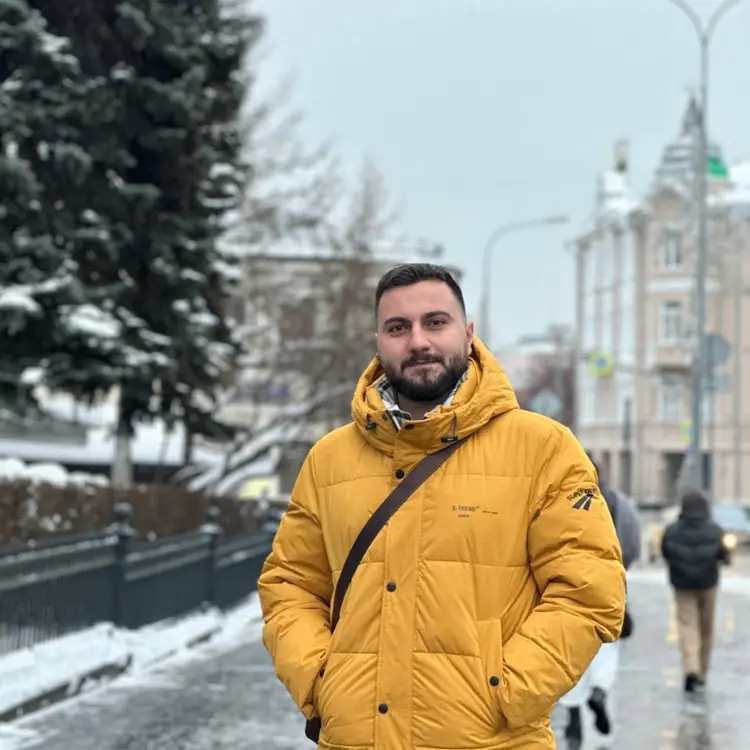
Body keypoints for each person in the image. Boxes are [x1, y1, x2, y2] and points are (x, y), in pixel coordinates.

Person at [258, 263, 626, 750]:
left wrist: (508, 691)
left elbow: (588, 591)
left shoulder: (543, 449)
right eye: (397, 327)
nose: (418, 341)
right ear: (378, 341)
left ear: (468, 334)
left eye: (435, 322)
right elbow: (290, 584)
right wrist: (321, 680)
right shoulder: (329, 460)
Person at [561, 473, 642, 747]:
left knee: (571, 647)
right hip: (609, 581)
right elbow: (632, 542)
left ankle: (573, 712)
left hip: (569, 581)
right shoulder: (617, 502)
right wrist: (620, 567)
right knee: (607, 642)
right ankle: (600, 688)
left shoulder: (561, 497)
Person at [661, 490, 729, 695]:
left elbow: (666, 551)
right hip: (708, 583)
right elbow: (723, 553)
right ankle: (702, 674)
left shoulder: (672, 530)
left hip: (682, 584)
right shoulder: (715, 530)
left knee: (687, 626)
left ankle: (691, 668)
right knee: (706, 629)